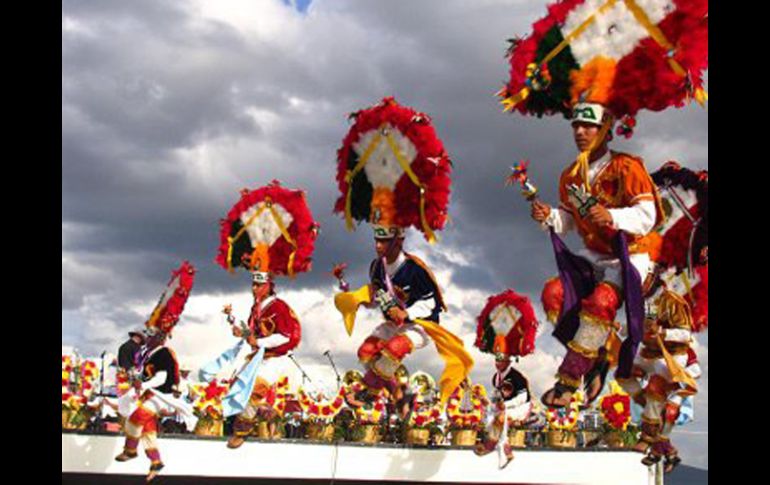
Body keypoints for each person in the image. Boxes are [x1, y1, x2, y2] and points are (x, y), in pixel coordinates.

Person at [533, 101, 663, 408]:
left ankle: (568, 381)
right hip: (594, 255)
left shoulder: (627, 166)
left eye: (588, 126)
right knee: (553, 294)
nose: (579, 131)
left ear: (606, 130)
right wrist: (549, 215)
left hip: (631, 253)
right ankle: (600, 354)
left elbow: (648, 215)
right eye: (576, 126)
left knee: (601, 301)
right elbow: (567, 221)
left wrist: (613, 216)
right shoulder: (570, 175)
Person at [357, 224, 446, 398]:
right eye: (376, 240)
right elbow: (380, 297)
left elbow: (431, 302)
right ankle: (398, 395)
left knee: (394, 348)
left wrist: (407, 313)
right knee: (365, 352)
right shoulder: (376, 267)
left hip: (421, 324)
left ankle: (370, 390)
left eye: (384, 241)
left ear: (398, 242)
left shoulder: (415, 269)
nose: (378, 246)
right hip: (394, 323)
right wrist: (364, 301)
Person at [224, 269, 301, 449]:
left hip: (277, 358)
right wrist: (241, 332)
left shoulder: (278, 307)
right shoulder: (256, 308)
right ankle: (268, 413)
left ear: (268, 286)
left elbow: (285, 337)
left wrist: (257, 341)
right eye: (253, 285)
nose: (254, 288)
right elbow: (252, 334)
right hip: (259, 356)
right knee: (238, 386)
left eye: (258, 285)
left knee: (253, 389)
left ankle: (241, 432)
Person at [114, 328, 196, 482]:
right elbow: (146, 376)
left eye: (150, 337)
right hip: (151, 393)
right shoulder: (149, 354)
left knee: (136, 417)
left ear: (159, 339)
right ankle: (156, 461)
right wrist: (137, 380)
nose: (147, 339)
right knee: (147, 428)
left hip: (161, 395)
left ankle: (130, 450)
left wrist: (143, 385)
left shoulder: (163, 353)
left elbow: (161, 378)